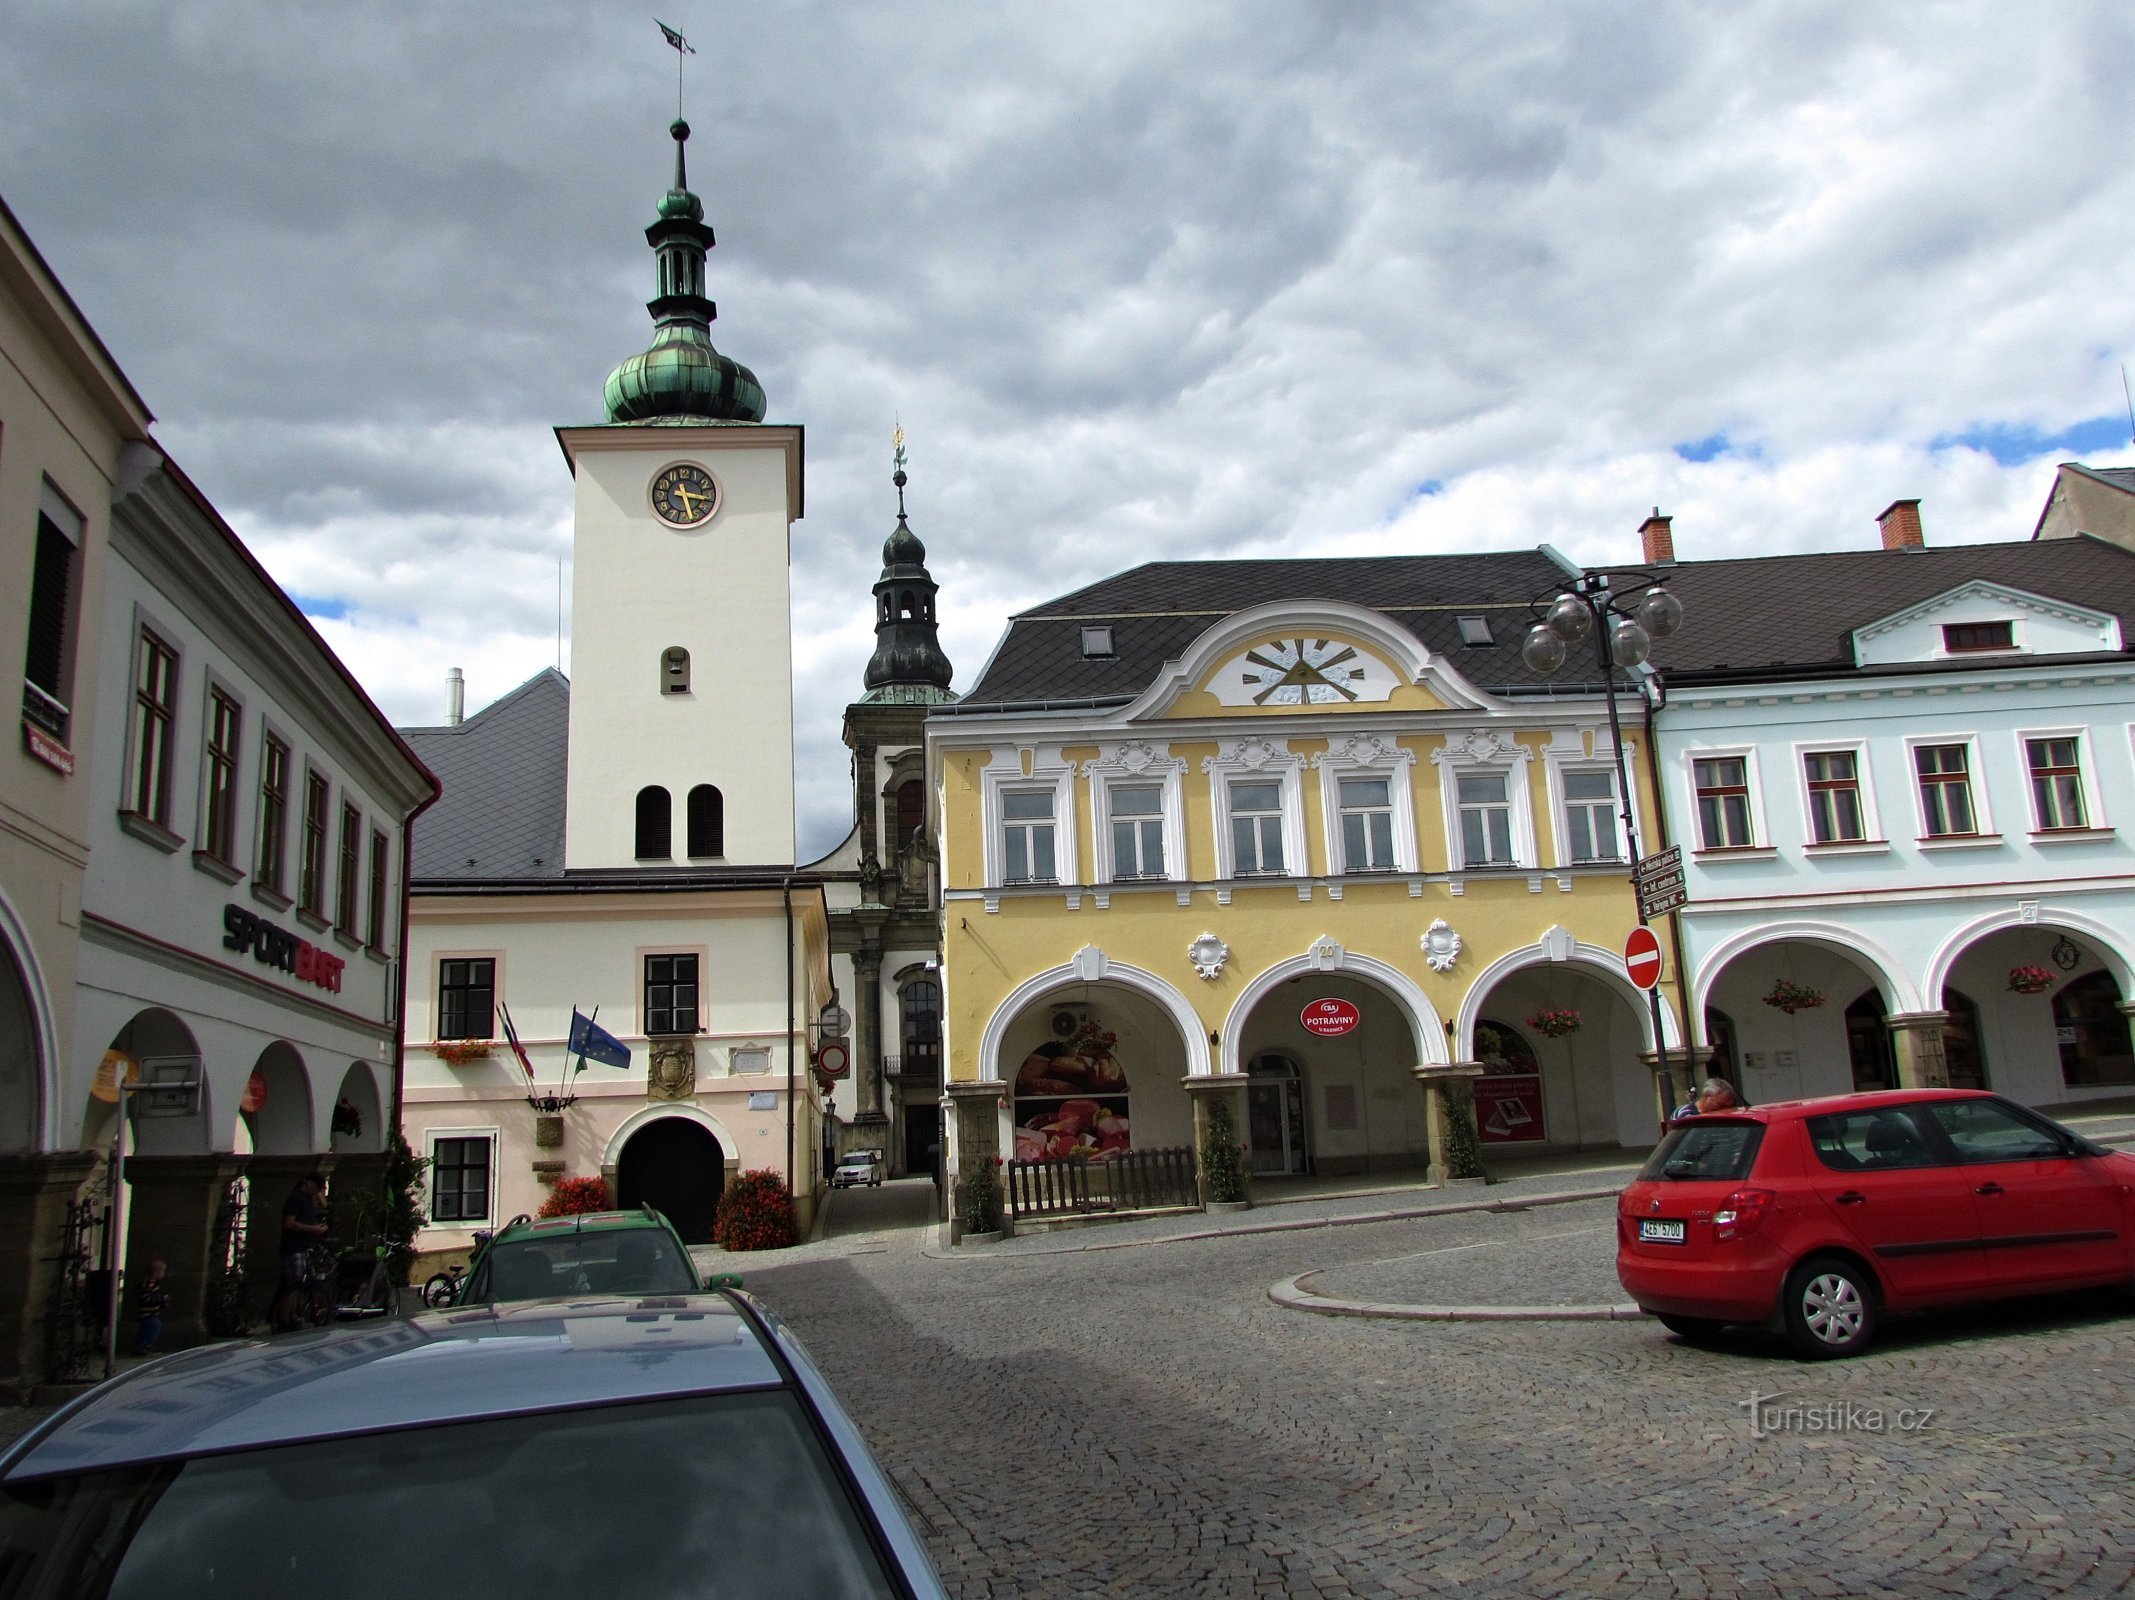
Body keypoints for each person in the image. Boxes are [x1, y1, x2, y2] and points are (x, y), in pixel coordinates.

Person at [271, 1173, 329, 1331]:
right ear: (307, 1183)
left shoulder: (309, 1199)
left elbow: (324, 1206)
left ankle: (293, 1315)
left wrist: (317, 1192)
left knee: (303, 1283)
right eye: (316, 1187)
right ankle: (284, 1317)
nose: (318, 1191)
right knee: (294, 1284)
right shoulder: (295, 1199)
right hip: (293, 1247)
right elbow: (289, 1224)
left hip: (304, 1246)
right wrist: (313, 1229)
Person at [132, 1258, 167, 1356]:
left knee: (145, 1330)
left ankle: (139, 1347)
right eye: (163, 1271)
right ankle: (146, 1346)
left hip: (150, 1313)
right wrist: (161, 1299)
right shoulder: (147, 1284)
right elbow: (147, 1299)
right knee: (155, 1326)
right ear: (157, 1272)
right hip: (146, 1313)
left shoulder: (153, 1284)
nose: (164, 1274)